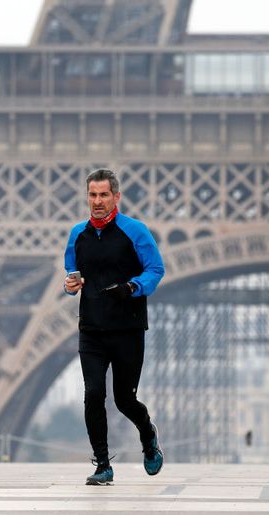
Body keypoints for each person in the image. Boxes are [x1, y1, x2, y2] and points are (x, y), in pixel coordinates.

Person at [63, 168, 165, 486]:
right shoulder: (77, 234)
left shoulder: (135, 231)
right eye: (92, 195)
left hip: (127, 329)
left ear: (116, 196)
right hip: (92, 329)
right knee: (93, 394)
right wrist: (70, 285)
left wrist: (133, 287)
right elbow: (71, 272)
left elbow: (156, 269)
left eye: (104, 195)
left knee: (124, 400)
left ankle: (147, 434)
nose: (97, 201)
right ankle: (103, 464)